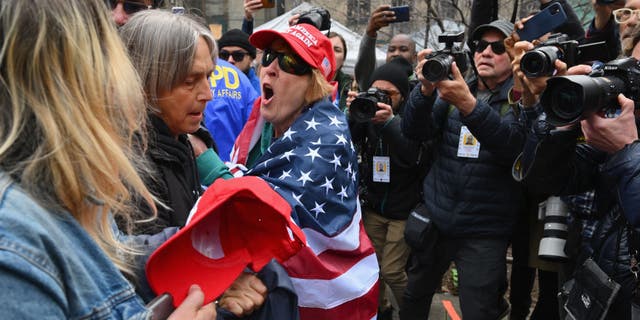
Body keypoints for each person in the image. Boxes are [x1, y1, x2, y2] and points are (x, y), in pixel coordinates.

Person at [0, 0, 214, 318]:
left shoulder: (75, 182)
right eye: (188, 80)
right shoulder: (14, 241)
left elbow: (117, 257)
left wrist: (209, 259)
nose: (208, 93)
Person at [230, 23, 380, 319]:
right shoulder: (267, 122)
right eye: (269, 55)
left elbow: (262, 214)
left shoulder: (325, 138)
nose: (270, 68)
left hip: (330, 305)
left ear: (314, 84)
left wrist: (204, 161)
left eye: (289, 62)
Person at [400, 19, 525, 319]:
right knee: (413, 299)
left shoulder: (521, 98)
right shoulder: (458, 89)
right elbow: (414, 131)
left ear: (514, 56)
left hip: (484, 232)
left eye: (497, 48)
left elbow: (514, 149)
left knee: (479, 311)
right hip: (438, 219)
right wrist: (425, 90)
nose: (486, 53)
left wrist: (469, 105)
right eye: (480, 46)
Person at [118, 10, 232, 235]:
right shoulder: (130, 169)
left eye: (208, 77)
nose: (208, 94)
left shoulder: (180, 141)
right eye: (190, 81)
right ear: (144, 81)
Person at [348, 58, 423, 320]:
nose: (381, 98)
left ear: (402, 96)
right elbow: (349, 139)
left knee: (392, 270)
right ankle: (381, 310)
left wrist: (390, 122)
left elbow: (411, 156)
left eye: (388, 94)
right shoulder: (367, 115)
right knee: (371, 267)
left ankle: (413, 313)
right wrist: (355, 112)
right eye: (376, 91)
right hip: (374, 207)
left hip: (402, 211)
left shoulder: (410, 119)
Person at [204, 59, 259, 162]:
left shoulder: (183, 68)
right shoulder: (241, 78)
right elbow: (254, 126)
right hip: (232, 168)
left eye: (238, 55)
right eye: (225, 54)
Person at [354, 4, 417, 92]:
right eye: (391, 50)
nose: (396, 54)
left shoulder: (422, 86)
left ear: (414, 57)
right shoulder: (376, 83)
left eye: (403, 49)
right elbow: (364, 72)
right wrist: (370, 31)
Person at [328, 31, 353, 111]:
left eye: (337, 50)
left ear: (343, 59)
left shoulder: (351, 86)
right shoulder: (302, 80)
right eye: (327, 48)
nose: (331, 53)